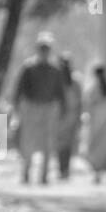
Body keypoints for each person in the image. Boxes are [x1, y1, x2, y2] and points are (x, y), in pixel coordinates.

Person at [12, 30, 65, 184]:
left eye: (47, 48)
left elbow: (60, 93)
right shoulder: (29, 67)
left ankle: (44, 175)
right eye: (42, 48)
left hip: (49, 109)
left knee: (48, 143)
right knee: (28, 142)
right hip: (31, 107)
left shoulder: (55, 70)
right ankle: (26, 172)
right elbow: (19, 89)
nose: (44, 51)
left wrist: (62, 111)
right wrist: (16, 107)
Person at [56, 54, 83, 181]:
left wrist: (79, 116)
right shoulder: (56, 79)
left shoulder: (75, 81)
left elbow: (80, 101)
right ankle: (62, 168)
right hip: (59, 116)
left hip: (71, 115)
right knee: (60, 144)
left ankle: (65, 168)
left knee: (68, 144)